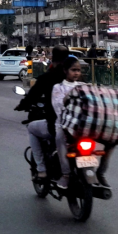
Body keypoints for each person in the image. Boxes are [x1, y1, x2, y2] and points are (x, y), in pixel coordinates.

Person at [15, 46, 70, 183]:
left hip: (56, 126)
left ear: (52, 57)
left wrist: (22, 105)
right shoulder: (76, 78)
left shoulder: (48, 77)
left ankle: (41, 169)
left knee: (31, 128)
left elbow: (32, 96)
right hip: (77, 127)